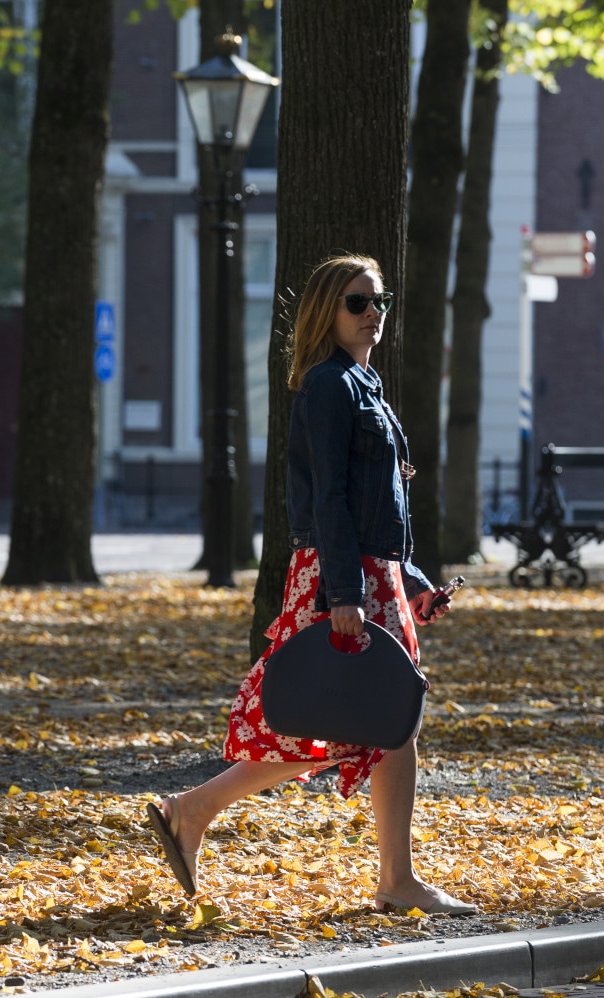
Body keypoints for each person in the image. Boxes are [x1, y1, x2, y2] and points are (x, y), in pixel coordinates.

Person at [143, 253, 477, 916]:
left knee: (379, 724)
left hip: (366, 572)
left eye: (379, 300)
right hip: (342, 573)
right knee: (362, 723)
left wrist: (408, 580)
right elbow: (328, 495)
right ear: (329, 310)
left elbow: (377, 502)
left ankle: (196, 812)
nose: (373, 314)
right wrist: (345, 592)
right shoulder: (330, 385)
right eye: (358, 302)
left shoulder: (363, 382)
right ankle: (391, 880)